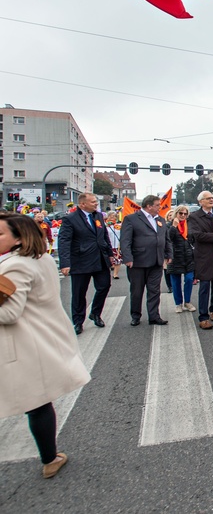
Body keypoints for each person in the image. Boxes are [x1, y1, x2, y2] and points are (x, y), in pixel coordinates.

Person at [0, 212, 90, 479]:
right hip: (41, 339)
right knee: (39, 402)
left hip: (25, 343)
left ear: (19, 238)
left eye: (1, 233)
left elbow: (8, 313)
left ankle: (50, 459)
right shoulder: (41, 259)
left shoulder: (15, 266)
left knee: (36, 403)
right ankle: (50, 458)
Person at [57, 192, 113, 335]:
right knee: (79, 293)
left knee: (104, 286)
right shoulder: (70, 219)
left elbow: (104, 236)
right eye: (93, 202)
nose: (96, 204)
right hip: (80, 261)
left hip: (100, 259)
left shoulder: (98, 216)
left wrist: (110, 254)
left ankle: (95, 313)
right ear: (82, 204)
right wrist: (65, 263)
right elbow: (64, 241)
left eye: (96, 201)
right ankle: (78, 321)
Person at [120, 195, 173, 326]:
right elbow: (125, 240)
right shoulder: (131, 219)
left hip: (156, 261)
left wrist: (168, 253)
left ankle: (154, 316)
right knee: (137, 291)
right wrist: (127, 258)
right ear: (149, 206)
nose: (160, 207)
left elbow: (166, 239)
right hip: (138, 262)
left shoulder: (160, 219)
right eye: (157, 205)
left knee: (155, 290)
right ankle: (136, 315)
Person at [188, 191, 213, 330]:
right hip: (204, 256)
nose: (212, 200)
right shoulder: (194, 217)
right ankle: (203, 317)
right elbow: (198, 236)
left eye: (212, 198)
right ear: (201, 201)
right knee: (204, 286)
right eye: (208, 198)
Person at [167, 205, 196, 314]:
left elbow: (193, 239)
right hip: (175, 257)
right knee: (176, 282)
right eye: (181, 213)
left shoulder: (189, 225)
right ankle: (178, 303)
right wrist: (174, 227)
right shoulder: (169, 225)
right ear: (176, 214)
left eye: (185, 214)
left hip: (188, 256)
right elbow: (168, 239)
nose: (183, 216)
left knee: (189, 279)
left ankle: (187, 302)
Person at [105, 211, 122, 279]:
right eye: (111, 216)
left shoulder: (119, 225)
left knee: (118, 260)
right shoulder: (105, 225)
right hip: (109, 246)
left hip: (117, 246)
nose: (112, 218)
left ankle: (115, 274)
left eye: (114, 216)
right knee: (109, 261)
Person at [162, 209, 176, 293]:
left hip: (175, 250)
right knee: (166, 269)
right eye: (169, 215)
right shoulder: (165, 226)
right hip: (166, 250)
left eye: (172, 215)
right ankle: (169, 286)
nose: (171, 217)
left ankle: (174, 285)